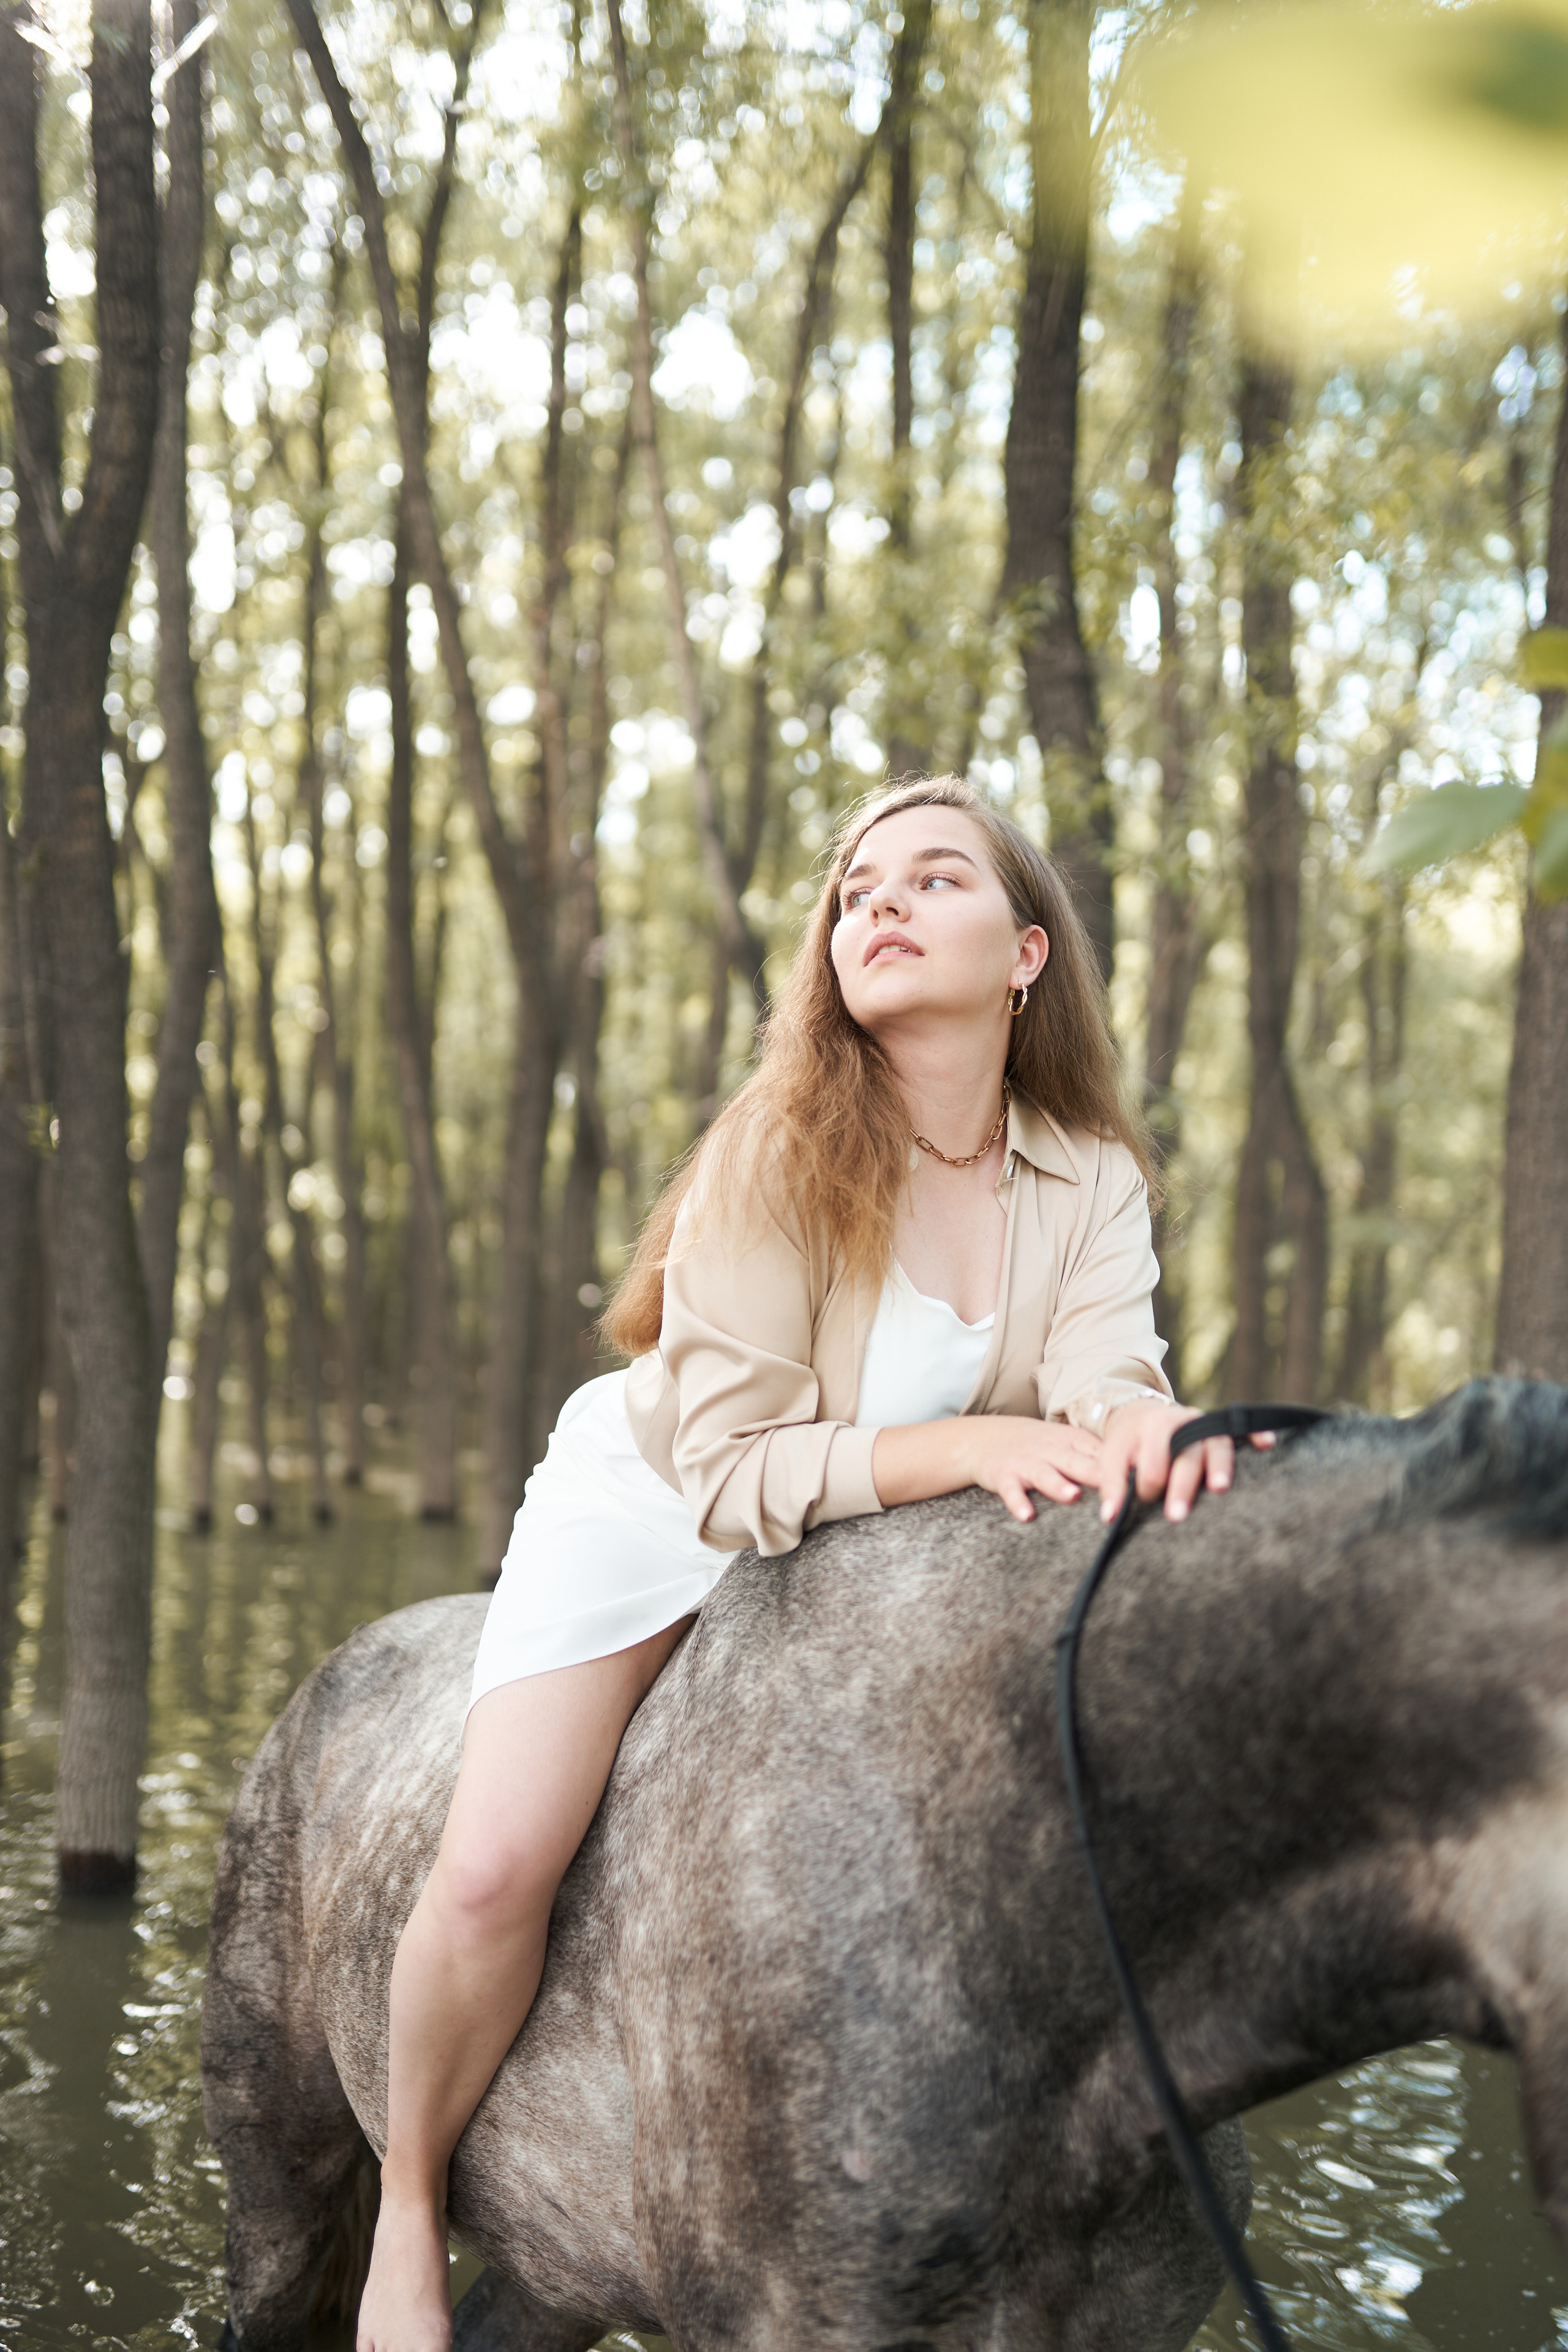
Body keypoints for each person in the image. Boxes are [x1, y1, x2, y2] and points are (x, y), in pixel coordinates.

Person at [356, 775, 1258, 2352]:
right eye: (854, 892)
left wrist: (1161, 1439)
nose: (879, 908)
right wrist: (979, 1450)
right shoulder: (776, 1146)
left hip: (881, 1564)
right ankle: (411, 2213)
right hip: (670, 1507)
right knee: (496, 1865)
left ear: (1027, 952)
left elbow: (1111, 1381)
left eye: (930, 880)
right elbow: (734, 1468)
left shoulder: (1092, 1175)